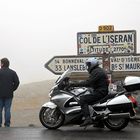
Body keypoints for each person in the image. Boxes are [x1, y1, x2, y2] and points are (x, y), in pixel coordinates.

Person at [69, 57, 109, 127]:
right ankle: (99, 122)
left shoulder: (96, 72)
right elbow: (91, 82)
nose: (88, 67)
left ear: (92, 64)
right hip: (101, 91)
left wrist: (73, 84)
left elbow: (88, 82)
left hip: (100, 92)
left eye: (88, 65)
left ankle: (87, 118)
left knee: (83, 99)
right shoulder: (97, 70)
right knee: (87, 95)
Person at [0, 58, 20, 127]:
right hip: (9, 94)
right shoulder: (13, 72)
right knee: (7, 109)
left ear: (2, 64)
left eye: (0, 63)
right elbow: (17, 82)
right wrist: (12, 89)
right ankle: (7, 124)